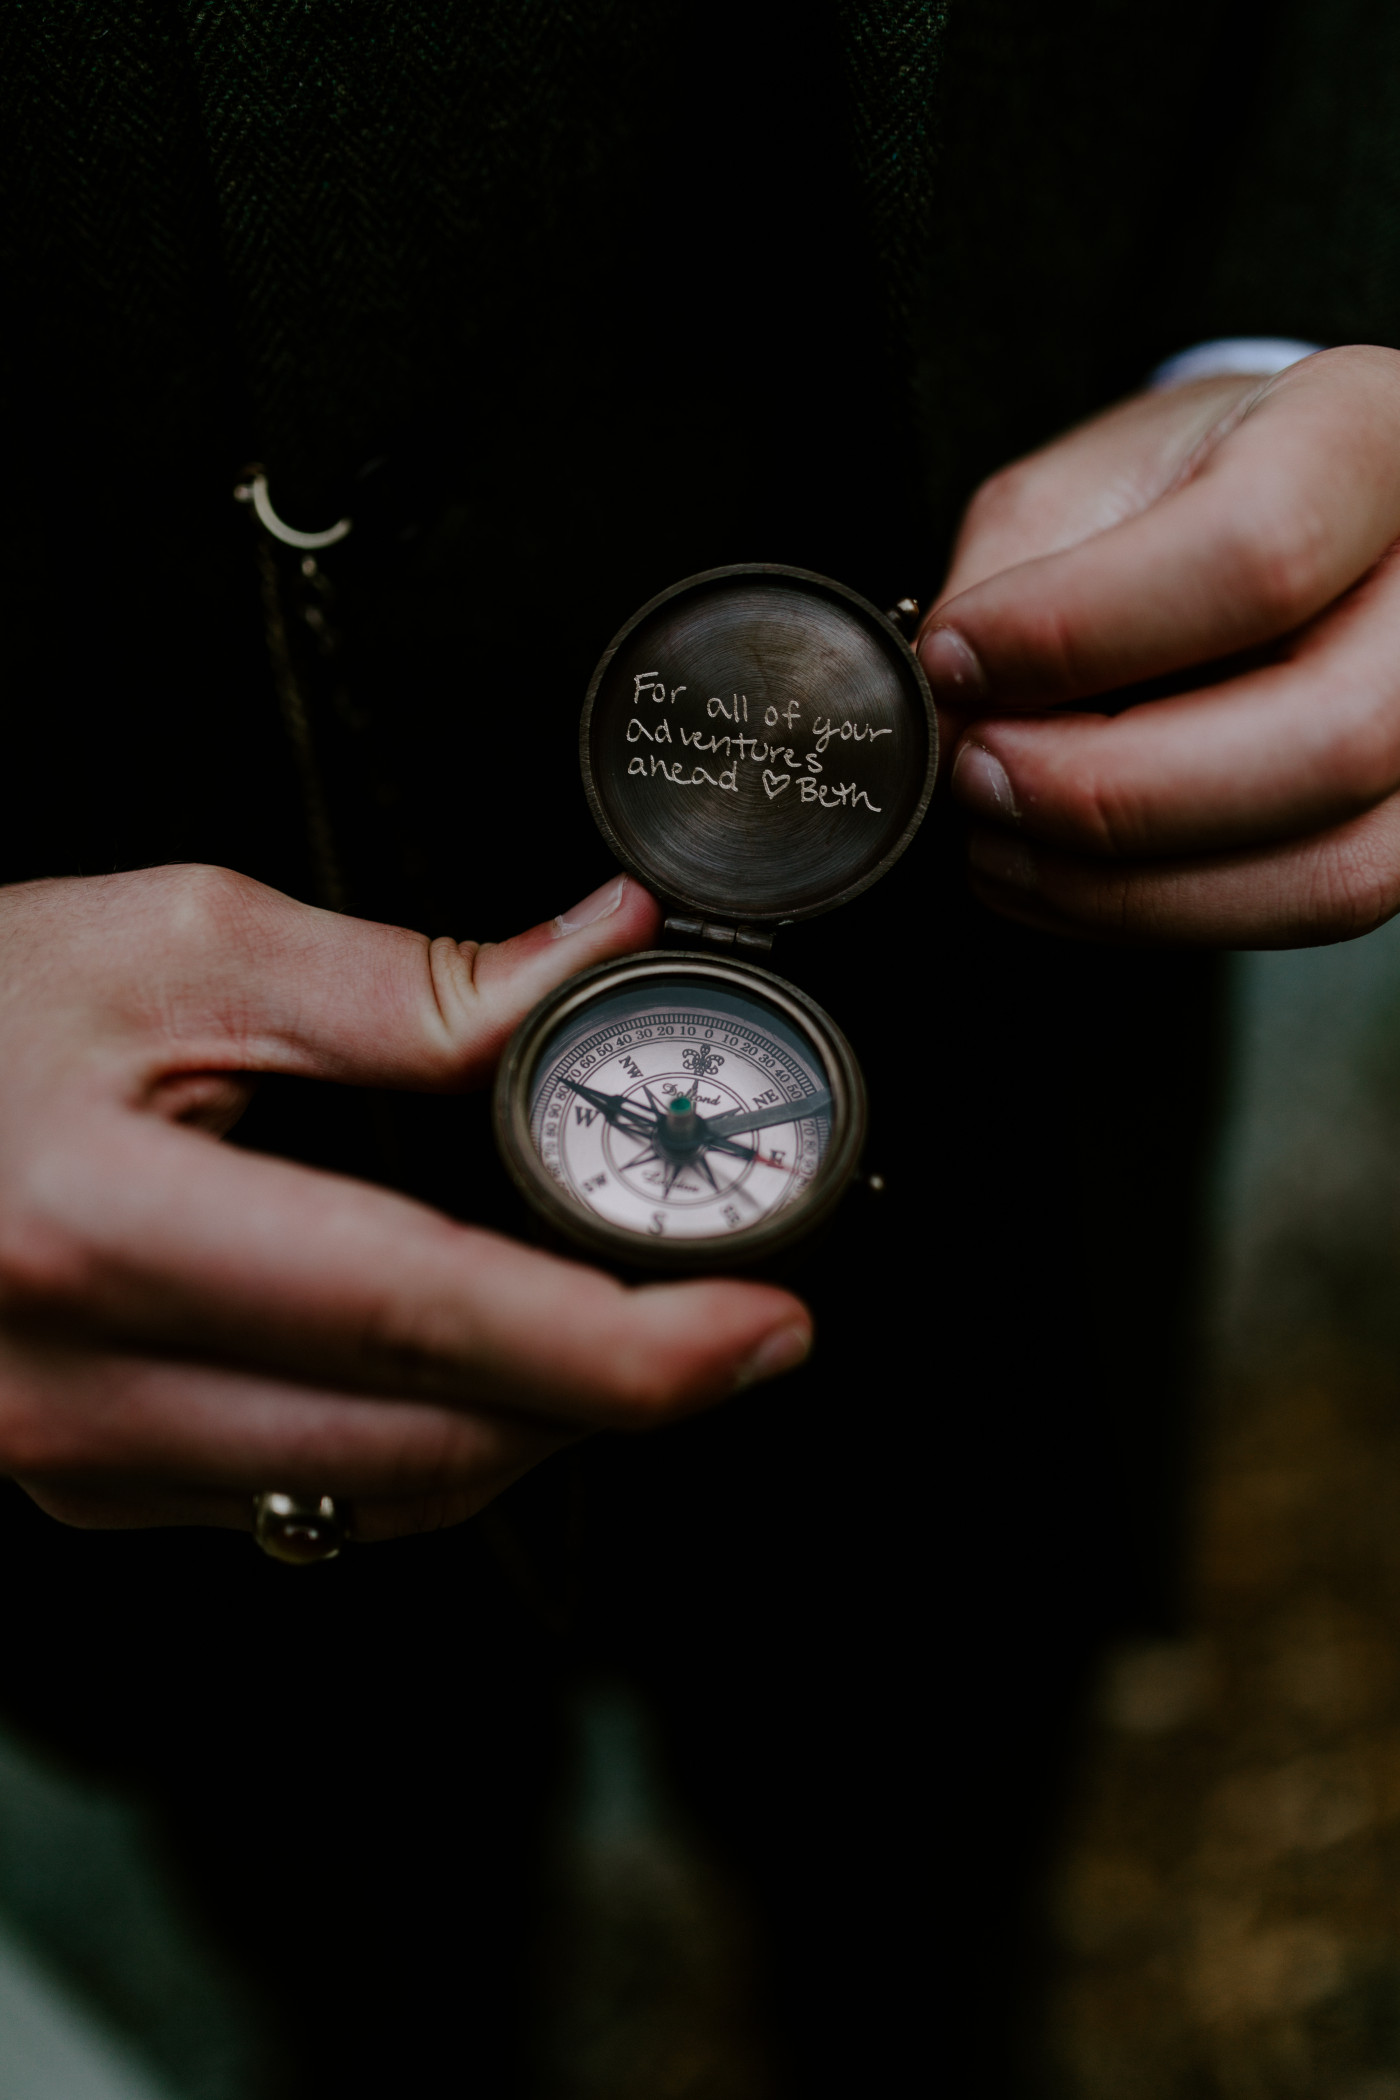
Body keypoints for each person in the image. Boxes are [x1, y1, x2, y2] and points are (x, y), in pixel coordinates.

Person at [4, 2, 1400, 2090]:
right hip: (105, 1177)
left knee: (926, 1841)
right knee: (348, 1905)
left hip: (991, 1073)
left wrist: (1314, 326)